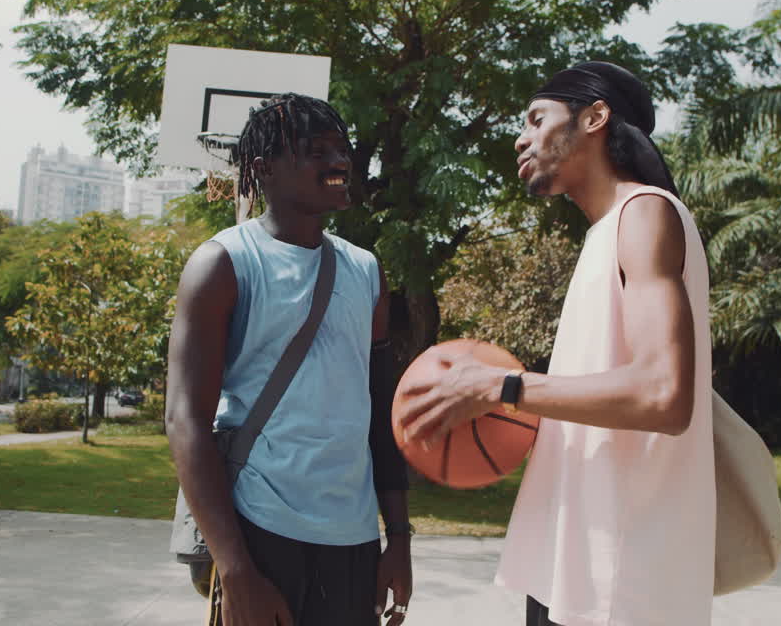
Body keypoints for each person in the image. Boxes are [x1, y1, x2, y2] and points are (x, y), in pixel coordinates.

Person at [398, 62, 715, 626]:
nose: (521, 138)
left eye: (536, 118)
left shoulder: (645, 214)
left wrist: (503, 387)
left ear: (595, 117)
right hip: (579, 568)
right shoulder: (610, 230)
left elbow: (664, 395)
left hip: (619, 584)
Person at [166, 94, 413, 626]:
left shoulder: (366, 270)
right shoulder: (223, 263)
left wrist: (399, 540)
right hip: (260, 530)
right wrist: (234, 570)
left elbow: (381, 409)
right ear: (264, 169)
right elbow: (185, 420)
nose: (339, 161)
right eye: (315, 150)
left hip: (354, 537)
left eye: (341, 150)